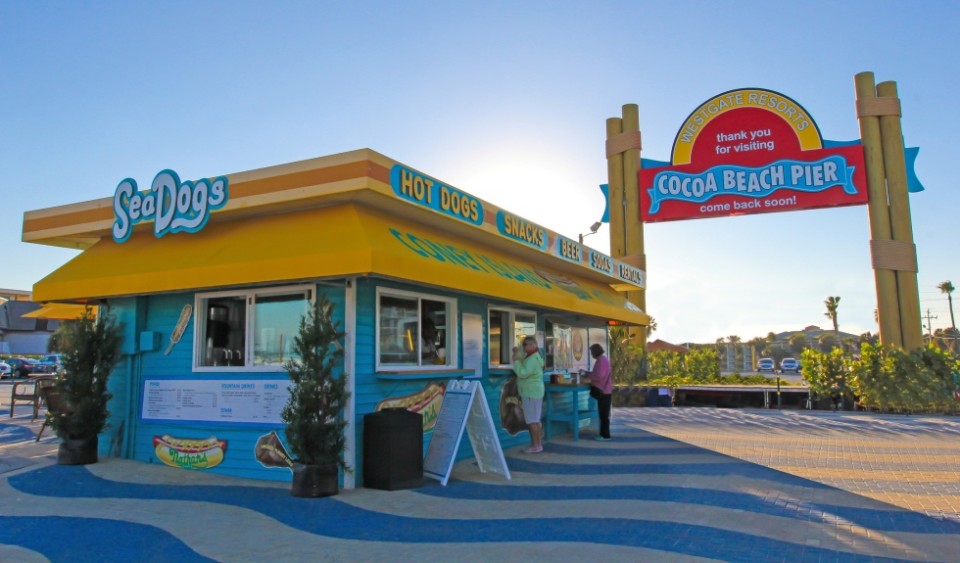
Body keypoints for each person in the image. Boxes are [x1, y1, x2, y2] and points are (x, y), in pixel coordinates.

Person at [512, 336, 545, 453]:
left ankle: (536, 445)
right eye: (523, 344)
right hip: (533, 392)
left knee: (532, 421)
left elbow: (522, 373)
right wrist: (517, 353)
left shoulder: (533, 359)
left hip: (531, 392)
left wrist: (515, 361)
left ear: (533, 345)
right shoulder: (532, 357)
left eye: (525, 344)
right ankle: (536, 444)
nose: (524, 346)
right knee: (535, 420)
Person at [580, 343, 612, 441]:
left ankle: (605, 435)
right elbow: (597, 374)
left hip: (603, 391)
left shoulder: (601, 360)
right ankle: (604, 434)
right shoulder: (602, 359)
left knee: (604, 415)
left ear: (595, 351)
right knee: (604, 414)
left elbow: (599, 375)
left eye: (591, 352)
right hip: (605, 391)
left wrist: (588, 375)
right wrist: (587, 373)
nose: (591, 354)